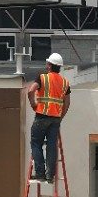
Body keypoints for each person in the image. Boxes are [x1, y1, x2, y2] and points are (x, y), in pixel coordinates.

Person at [27, 52, 71, 184]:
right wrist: (60, 117)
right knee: (52, 146)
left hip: (41, 116)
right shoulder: (65, 83)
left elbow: (30, 91)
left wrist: (34, 105)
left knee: (36, 143)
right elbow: (67, 103)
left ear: (50, 65)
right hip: (55, 119)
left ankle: (40, 174)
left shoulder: (42, 78)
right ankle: (50, 176)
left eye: (47, 64)